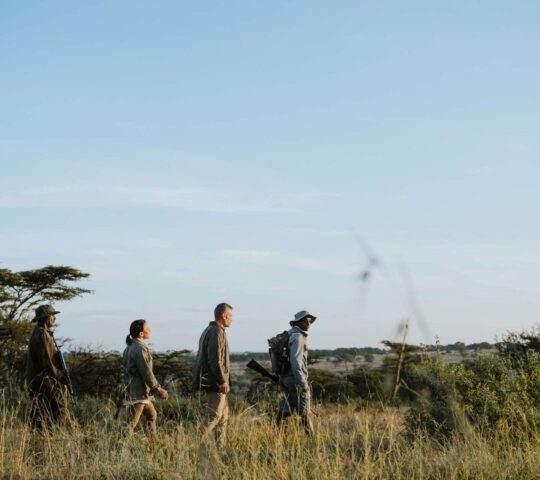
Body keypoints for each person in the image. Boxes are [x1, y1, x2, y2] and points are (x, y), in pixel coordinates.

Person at [192, 303, 233, 446]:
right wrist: (222, 381)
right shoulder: (216, 332)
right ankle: (195, 444)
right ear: (223, 316)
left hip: (214, 381)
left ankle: (220, 449)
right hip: (215, 383)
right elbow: (215, 359)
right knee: (214, 415)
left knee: (223, 416)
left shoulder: (211, 330)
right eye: (230, 316)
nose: (232, 319)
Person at [122, 319, 168, 439]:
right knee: (130, 424)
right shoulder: (140, 348)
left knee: (152, 415)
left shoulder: (129, 347)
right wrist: (158, 388)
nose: (150, 330)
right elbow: (146, 372)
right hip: (139, 392)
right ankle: (119, 451)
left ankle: (153, 446)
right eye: (147, 328)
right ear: (141, 333)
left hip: (133, 390)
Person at [26, 304, 69, 429]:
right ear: (45, 318)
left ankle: (40, 436)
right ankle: (56, 435)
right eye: (52, 315)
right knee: (59, 405)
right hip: (42, 379)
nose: (54, 318)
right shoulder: (42, 334)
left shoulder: (39, 333)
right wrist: (61, 376)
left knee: (41, 409)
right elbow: (47, 362)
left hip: (36, 379)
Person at [276, 310, 317, 435]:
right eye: (305, 321)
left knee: (284, 412)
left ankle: (276, 439)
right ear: (298, 322)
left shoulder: (289, 335)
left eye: (309, 321)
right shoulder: (299, 337)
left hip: (284, 378)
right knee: (305, 413)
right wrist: (303, 383)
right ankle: (313, 442)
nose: (308, 324)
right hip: (295, 380)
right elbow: (296, 361)